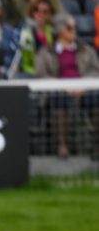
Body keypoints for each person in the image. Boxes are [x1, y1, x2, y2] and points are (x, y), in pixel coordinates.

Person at [35, 13, 99, 156]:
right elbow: (41, 74)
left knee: (96, 99)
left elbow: (96, 71)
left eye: (74, 27)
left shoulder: (86, 49)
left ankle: (96, 145)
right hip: (59, 90)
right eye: (69, 27)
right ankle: (62, 146)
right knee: (58, 101)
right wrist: (62, 87)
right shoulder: (46, 52)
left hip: (85, 89)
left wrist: (84, 86)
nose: (73, 31)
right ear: (59, 30)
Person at [17, 0, 55, 74]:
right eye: (37, 10)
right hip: (30, 72)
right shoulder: (24, 32)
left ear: (50, 15)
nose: (40, 14)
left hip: (50, 72)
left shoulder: (54, 33)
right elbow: (23, 60)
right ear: (32, 12)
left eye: (45, 12)